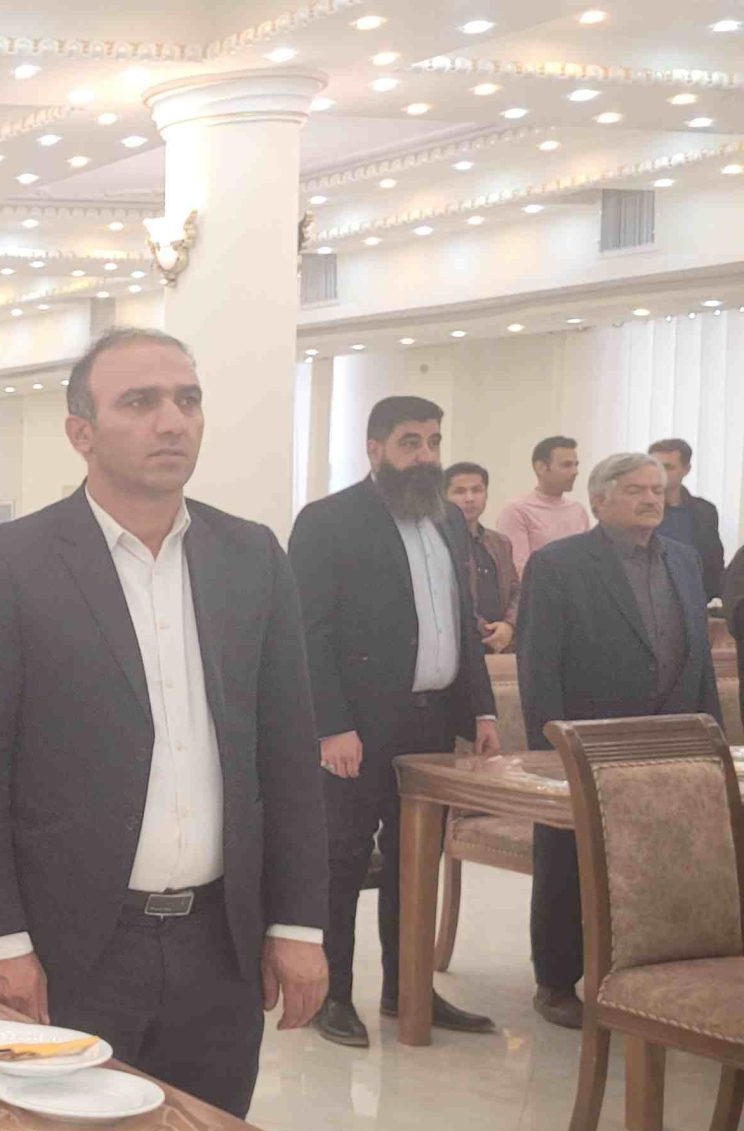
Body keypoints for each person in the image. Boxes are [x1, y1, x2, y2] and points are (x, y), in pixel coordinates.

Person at [0, 328, 327, 1119]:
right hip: (75, 945)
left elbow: (286, 753)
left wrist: (298, 922)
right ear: (81, 433)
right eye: (140, 402)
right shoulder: (9, 564)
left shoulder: (251, 557)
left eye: (187, 400)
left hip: (221, 945)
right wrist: (0, 940)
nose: (172, 421)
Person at [286, 396, 502, 1049]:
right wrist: (330, 726)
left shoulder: (446, 520)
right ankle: (331, 995)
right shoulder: (327, 521)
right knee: (343, 861)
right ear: (375, 448)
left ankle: (407, 990)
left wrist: (482, 707)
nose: (426, 455)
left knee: (417, 860)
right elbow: (308, 632)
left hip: (431, 723)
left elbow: (459, 622)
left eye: (433, 441)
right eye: (411, 442)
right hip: (355, 729)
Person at [515, 451, 719, 1030]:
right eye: (635, 490)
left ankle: (642, 975)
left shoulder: (684, 559)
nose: (651, 499)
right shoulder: (558, 564)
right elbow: (538, 666)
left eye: (656, 489)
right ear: (600, 500)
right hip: (588, 741)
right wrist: (550, 751)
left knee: (660, 863)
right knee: (568, 861)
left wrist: (710, 737)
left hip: (670, 739)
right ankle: (556, 981)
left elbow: (699, 656)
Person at [444, 463, 519, 654]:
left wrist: (508, 625)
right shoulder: (440, 543)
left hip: (503, 642)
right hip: (459, 645)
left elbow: (516, 591)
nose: (469, 498)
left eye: (477, 490)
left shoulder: (500, 542)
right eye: (459, 491)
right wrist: (487, 630)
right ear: (444, 497)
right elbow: (450, 598)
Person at [493, 436, 588, 578]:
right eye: (566, 465)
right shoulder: (517, 511)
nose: (575, 471)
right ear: (541, 468)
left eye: (576, 465)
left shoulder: (578, 510)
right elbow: (519, 570)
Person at [647, 438, 725, 605]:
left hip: (695, 599)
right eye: (654, 466)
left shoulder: (705, 511)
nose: (659, 473)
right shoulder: (640, 509)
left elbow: (714, 561)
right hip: (649, 597)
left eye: (668, 467)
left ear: (686, 469)